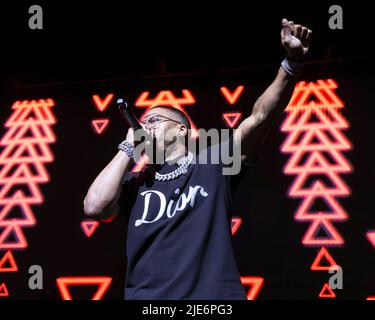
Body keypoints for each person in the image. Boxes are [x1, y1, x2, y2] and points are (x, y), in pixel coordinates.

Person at [83, 18, 313, 300]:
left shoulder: (212, 163)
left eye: (154, 120)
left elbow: (260, 117)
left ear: (181, 129)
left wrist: (291, 66)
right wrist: (129, 145)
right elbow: (95, 207)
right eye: (144, 122)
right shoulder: (134, 184)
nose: (146, 126)